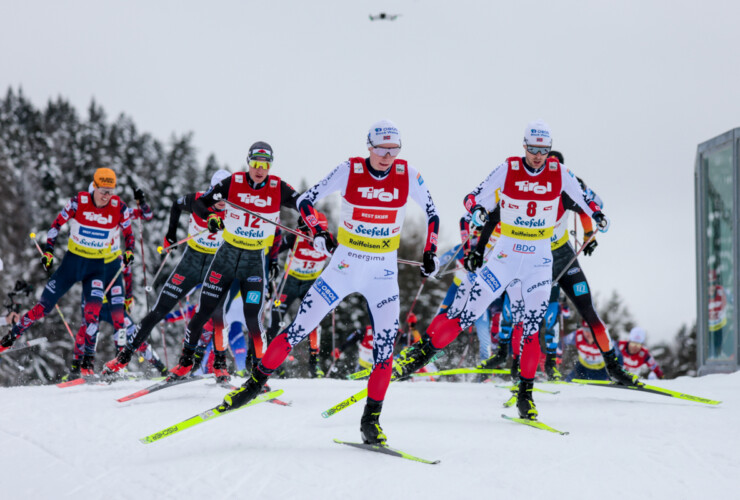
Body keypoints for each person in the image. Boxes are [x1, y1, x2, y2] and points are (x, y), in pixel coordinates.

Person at [219, 120, 441, 445]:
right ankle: (252, 386)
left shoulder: (409, 173)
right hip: (344, 266)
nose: (387, 156)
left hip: (382, 274)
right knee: (297, 329)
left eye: (393, 149)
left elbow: (433, 214)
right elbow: (306, 200)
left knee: (384, 351)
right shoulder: (349, 169)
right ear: (369, 146)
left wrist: (430, 251)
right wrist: (319, 232)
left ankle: (371, 421)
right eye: (381, 149)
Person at [392, 120, 609, 421]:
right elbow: (471, 198)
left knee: (532, 327)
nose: (537, 156)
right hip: (505, 256)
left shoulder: (559, 172)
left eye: (543, 151)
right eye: (533, 149)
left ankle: (526, 396)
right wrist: (478, 211)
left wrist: (597, 215)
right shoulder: (507, 169)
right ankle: (417, 357)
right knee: (466, 313)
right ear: (524, 146)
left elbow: (587, 199)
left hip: (539, 262)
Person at [476, 150, 638, 388]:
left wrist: (588, 235)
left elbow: (590, 206)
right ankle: (517, 367)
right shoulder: (526, 190)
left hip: (563, 257)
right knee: (522, 315)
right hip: (534, 259)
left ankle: (614, 367)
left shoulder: (566, 193)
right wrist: (479, 250)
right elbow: (493, 217)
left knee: (588, 311)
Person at [163, 142, 302, 381]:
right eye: (256, 164)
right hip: (226, 257)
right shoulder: (233, 183)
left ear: (270, 165)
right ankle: (186, 361)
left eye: (265, 165)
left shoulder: (278, 187)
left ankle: (260, 373)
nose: (260, 169)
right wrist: (210, 218)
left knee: (253, 319)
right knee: (204, 311)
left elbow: (303, 202)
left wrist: (314, 224)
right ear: (249, 162)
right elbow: (200, 202)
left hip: (253, 263)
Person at [102, 170, 232, 380]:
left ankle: (220, 365)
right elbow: (176, 205)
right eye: (219, 194)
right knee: (159, 309)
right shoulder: (198, 200)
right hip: (191, 262)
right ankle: (123, 357)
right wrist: (170, 235)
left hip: (216, 265)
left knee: (218, 314)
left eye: (227, 196)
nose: (222, 201)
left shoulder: (236, 211)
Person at [0, 168, 134, 358]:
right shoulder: (78, 202)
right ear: (94, 187)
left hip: (96, 268)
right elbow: (55, 226)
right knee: (43, 306)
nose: (107, 196)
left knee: (92, 314)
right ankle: (10, 337)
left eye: (111, 192)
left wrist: (129, 251)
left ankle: (87, 363)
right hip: (72, 264)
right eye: (103, 191)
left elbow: (129, 234)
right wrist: (48, 252)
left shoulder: (119, 207)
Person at [267, 212, 331, 378]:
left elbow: (343, 258)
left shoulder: (329, 240)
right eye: (311, 231)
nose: (313, 236)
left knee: (314, 321)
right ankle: (269, 361)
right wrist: (269, 260)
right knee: (276, 317)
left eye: (318, 231)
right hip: (290, 282)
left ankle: (314, 364)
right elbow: (274, 250)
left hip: (311, 285)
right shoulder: (296, 236)